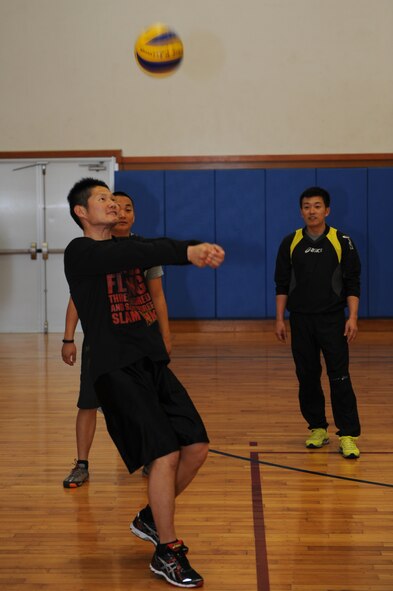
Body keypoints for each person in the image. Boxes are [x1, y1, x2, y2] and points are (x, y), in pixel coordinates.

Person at [64, 177, 225, 588]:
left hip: (151, 362)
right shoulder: (79, 251)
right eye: (102, 199)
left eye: (114, 199)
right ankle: (168, 552)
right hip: (114, 369)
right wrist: (187, 251)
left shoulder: (127, 247)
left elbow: (143, 254)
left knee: (197, 446)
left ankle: (151, 518)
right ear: (82, 212)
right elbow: (140, 249)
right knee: (164, 453)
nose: (112, 204)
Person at [62, 191, 170, 488]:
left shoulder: (144, 250)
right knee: (88, 402)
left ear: (134, 215)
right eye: (114, 206)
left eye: (127, 208)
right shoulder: (90, 250)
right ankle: (81, 463)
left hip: (138, 341)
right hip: (100, 343)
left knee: (143, 401)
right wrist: (68, 337)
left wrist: (165, 336)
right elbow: (77, 299)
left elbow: (158, 297)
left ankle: (150, 456)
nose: (120, 212)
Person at [274, 186, 361, 459]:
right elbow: (282, 284)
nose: (312, 211)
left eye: (317, 206)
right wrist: (279, 318)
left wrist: (353, 318)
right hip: (300, 321)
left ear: (327, 210)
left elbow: (352, 282)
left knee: (340, 377)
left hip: (333, 321)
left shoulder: (341, 240)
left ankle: (347, 435)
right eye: (307, 206)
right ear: (301, 211)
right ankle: (317, 428)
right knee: (307, 376)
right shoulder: (290, 242)